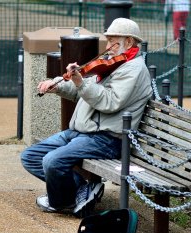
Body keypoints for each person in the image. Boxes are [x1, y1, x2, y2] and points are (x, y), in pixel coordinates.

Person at [21, 18, 153, 216]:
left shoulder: (133, 69)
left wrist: (81, 82)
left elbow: (110, 102)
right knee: (30, 157)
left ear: (129, 42)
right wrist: (57, 86)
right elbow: (80, 93)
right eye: (108, 41)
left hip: (106, 138)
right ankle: (82, 190)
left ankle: (62, 202)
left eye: (113, 42)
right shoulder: (112, 65)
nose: (108, 47)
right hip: (81, 132)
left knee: (52, 161)